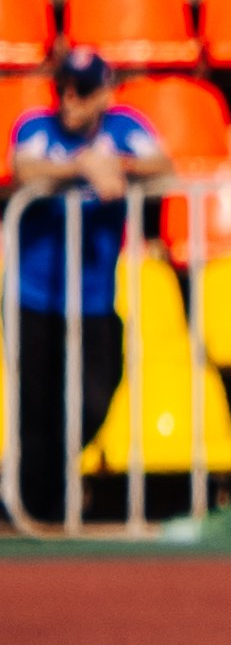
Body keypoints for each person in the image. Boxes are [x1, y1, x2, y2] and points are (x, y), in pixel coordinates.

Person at [7, 49, 170, 524]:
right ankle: (37, 509)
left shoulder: (124, 128)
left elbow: (163, 163)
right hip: (35, 295)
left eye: (81, 90)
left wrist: (114, 165)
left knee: (96, 396)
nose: (69, 100)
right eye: (63, 89)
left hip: (94, 297)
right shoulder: (39, 127)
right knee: (35, 406)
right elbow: (25, 168)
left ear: (104, 94)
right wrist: (81, 167)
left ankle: (33, 492)